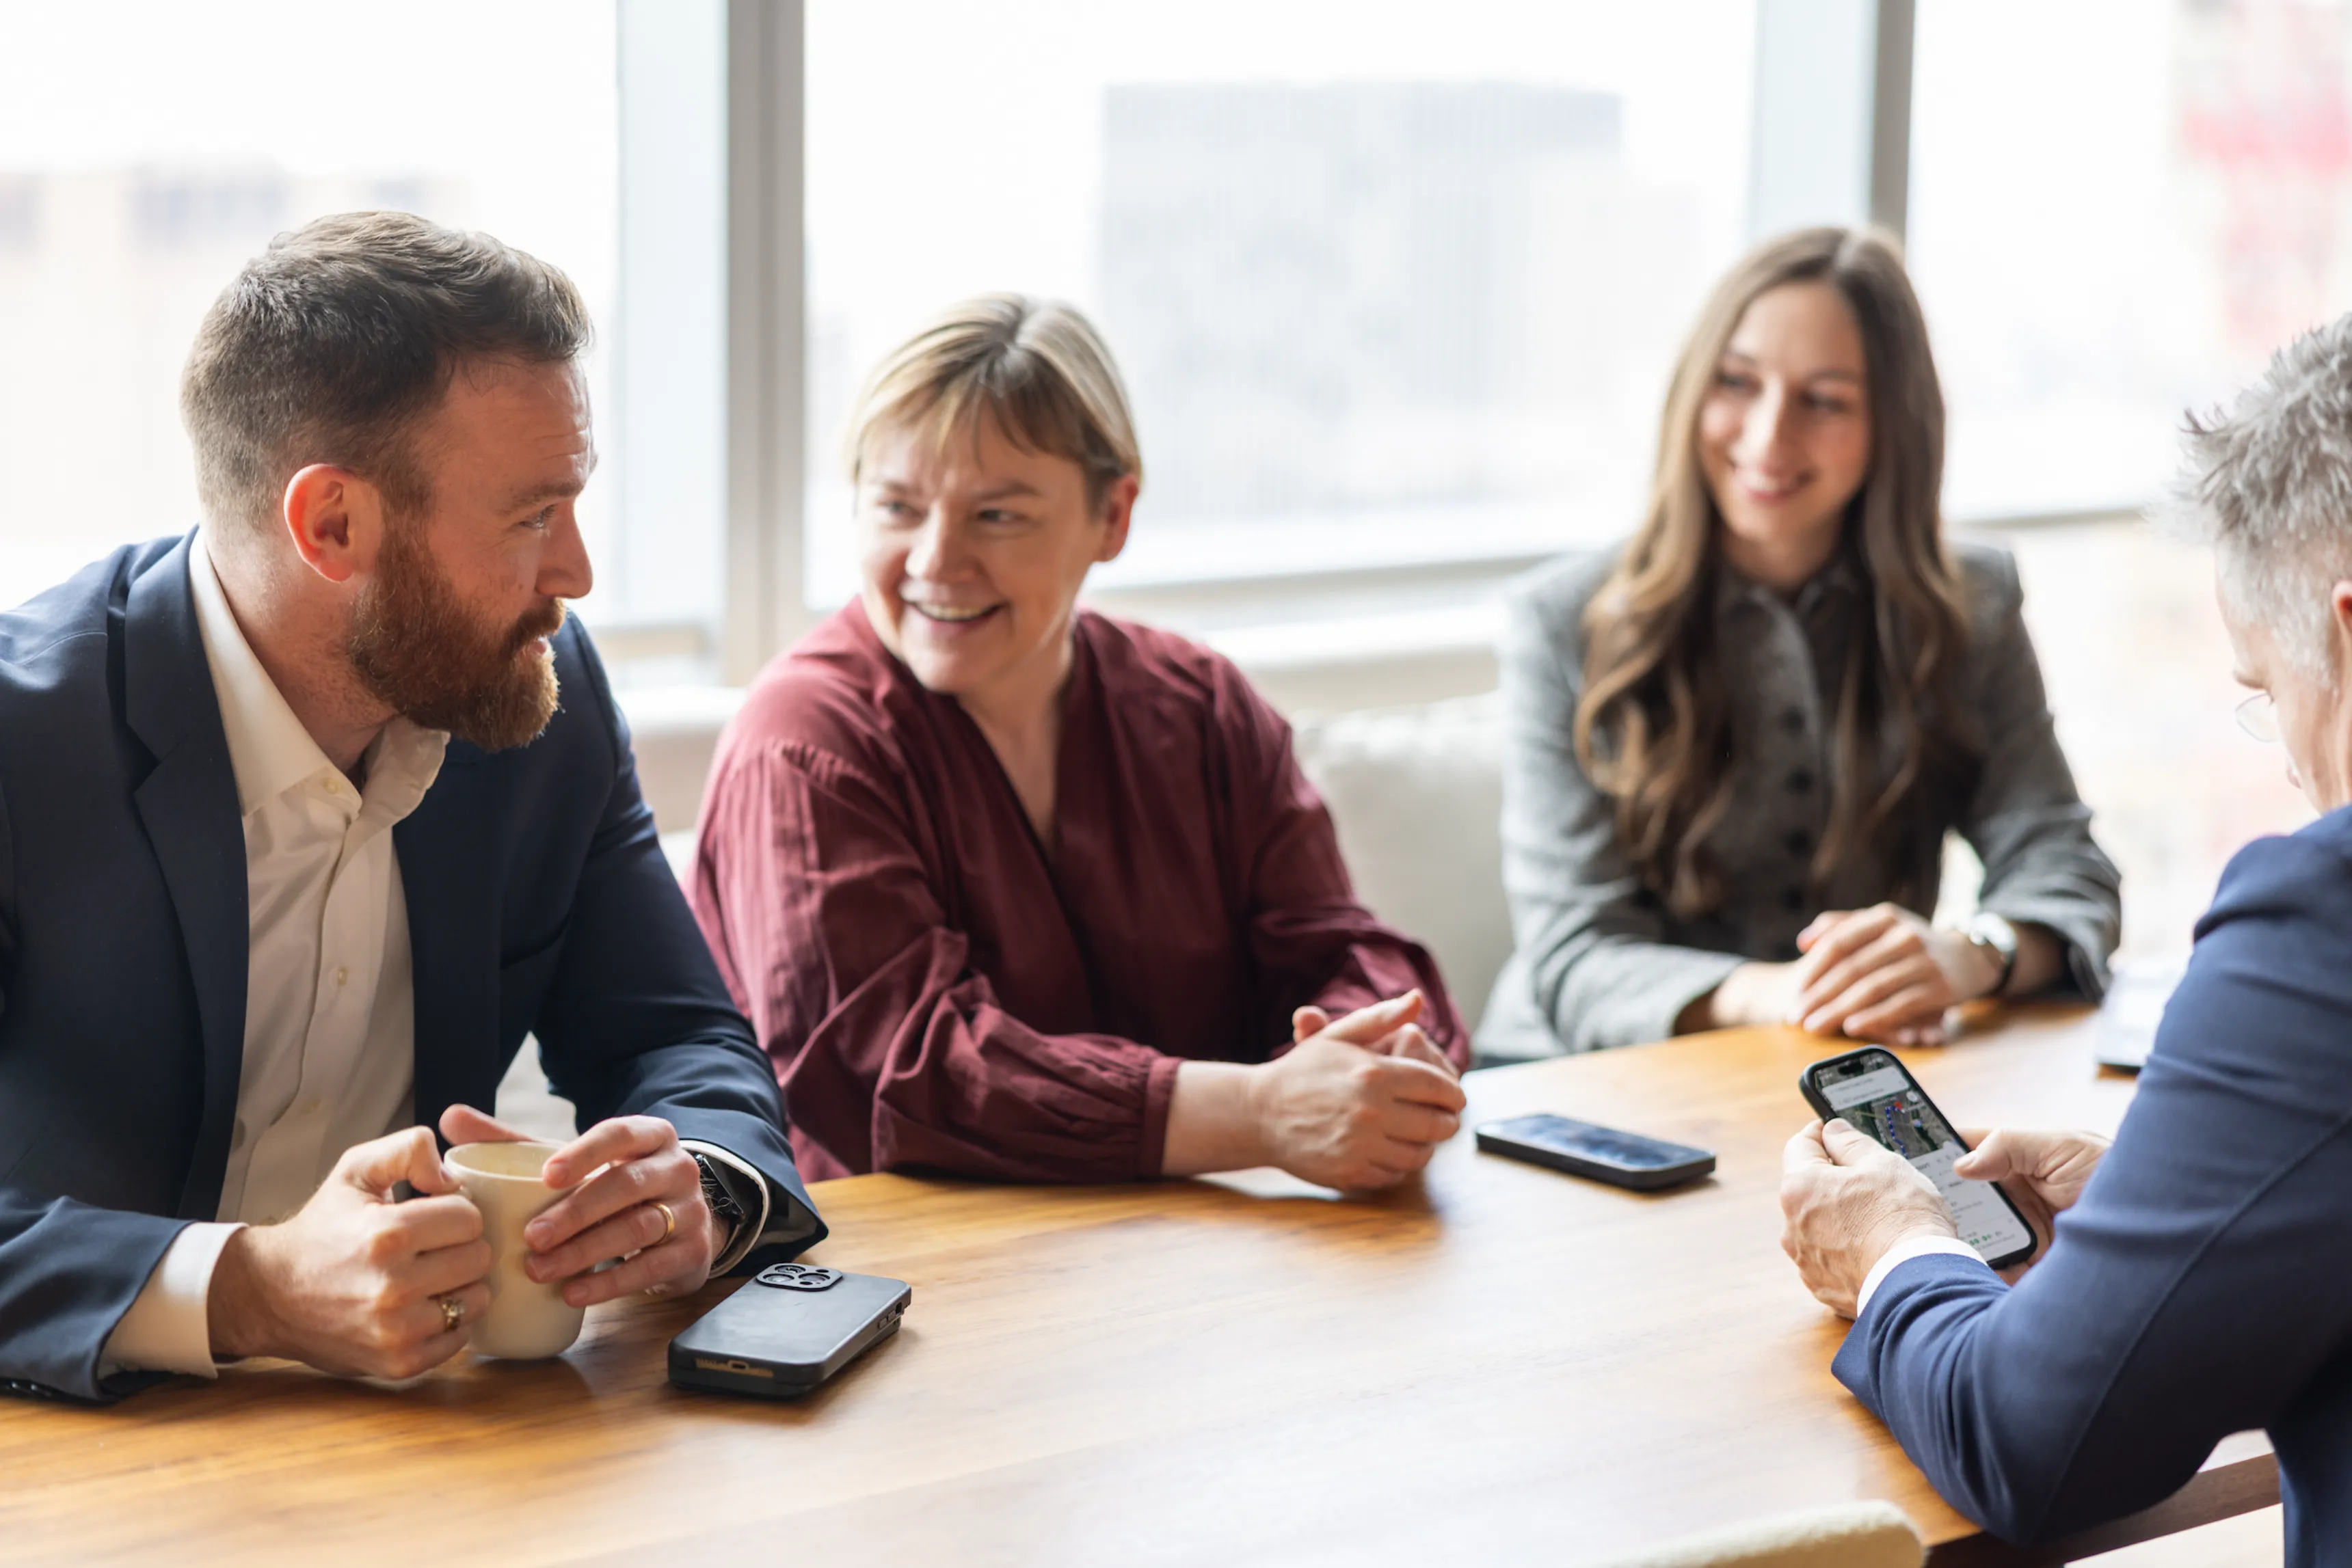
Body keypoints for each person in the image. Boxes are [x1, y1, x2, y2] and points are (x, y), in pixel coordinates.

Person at [0, 213, 820, 1403]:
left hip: (432, 1446)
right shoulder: (27, 738)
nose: (576, 573)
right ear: (333, 524)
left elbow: (678, 1037)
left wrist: (695, 1183)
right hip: (78, 1458)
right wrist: (251, 1285)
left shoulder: (537, 689)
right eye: (533, 516)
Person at [1779, 311, 2352, 1565]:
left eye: (2268, 692)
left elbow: (2034, 1441)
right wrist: (2192, 1203)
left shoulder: (2323, 920)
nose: (2304, 773)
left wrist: (1895, 1249)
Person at [689, 294, 1467, 1189]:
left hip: (1201, 1249)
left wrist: (1369, 1055)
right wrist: (1260, 1112)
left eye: (999, 515)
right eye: (898, 506)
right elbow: (902, 1074)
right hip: (908, 1276)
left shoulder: (1202, 706)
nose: (936, 561)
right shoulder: (805, 740)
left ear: (1115, 516)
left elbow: (1334, 947)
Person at [1478, 227, 2121, 1059]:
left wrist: (1968, 956)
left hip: (1835, 1073)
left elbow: (2062, 864)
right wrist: (1785, 990)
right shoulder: (1558, 620)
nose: (1768, 436)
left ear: (1893, 425)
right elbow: (1574, 959)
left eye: (1823, 399)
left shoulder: (1970, 605)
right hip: (1577, 1089)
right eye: (1736, 383)